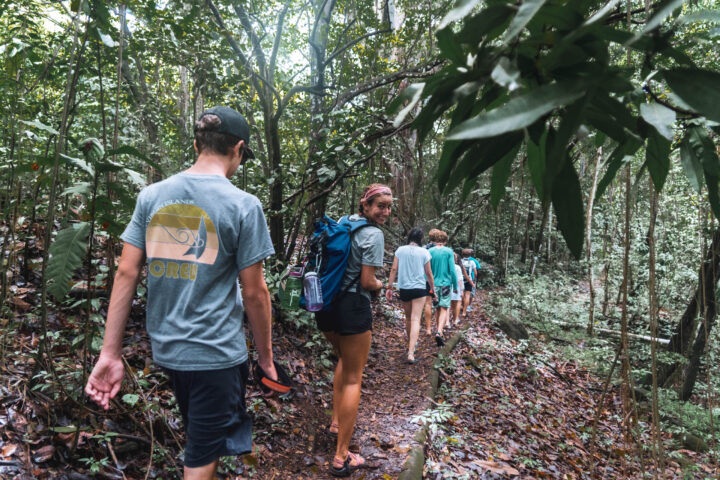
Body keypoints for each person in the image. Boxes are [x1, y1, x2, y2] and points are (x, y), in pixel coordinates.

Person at [85, 106, 278, 480]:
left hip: (169, 352)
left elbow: (126, 272)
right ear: (238, 149)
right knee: (201, 457)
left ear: (196, 144)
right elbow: (255, 294)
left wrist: (110, 353)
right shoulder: (244, 205)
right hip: (216, 354)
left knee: (203, 441)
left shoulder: (152, 196)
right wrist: (266, 361)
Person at [315, 184, 392, 477]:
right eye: (380, 205)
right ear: (366, 204)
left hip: (326, 305)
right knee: (353, 378)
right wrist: (381, 285)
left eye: (388, 206)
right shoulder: (374, 235)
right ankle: (341, 456)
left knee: (343, 363)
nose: (384, 211)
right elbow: (367, 281)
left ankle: (336, 422)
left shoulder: (344, 223)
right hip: (352, 307)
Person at [386, 228, 436, 363]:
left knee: (408, 318)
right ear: (421, 238)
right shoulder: (424, 252)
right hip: (420, 288)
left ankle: (410, 344)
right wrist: (432, 288)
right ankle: (411, 352)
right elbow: (429, 273)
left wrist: (389, 287)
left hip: (404, 288)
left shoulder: (400, 250)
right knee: (415, 319)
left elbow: (394, 269)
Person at [428, 230, 457, 346]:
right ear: (445, 241)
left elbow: (427, 270)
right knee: (444, 307)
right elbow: (452, 270)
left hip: (433, 284)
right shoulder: (449, 251)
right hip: (445, 283)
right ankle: (439, 331)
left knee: (437, 307)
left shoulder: (430, 251)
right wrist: (455, 285)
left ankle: (437, 328)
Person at [422, 229, 440, 335]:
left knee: (427, 304)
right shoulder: (442, 249)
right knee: (440, 305)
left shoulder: (424, 248)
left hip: (426, 278)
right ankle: (439, 328)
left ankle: (428, 328)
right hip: (439, 279)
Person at [450, 253, 468, 326]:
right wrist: (462, 289)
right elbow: (460, 279)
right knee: (458, 302)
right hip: (456, 286)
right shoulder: (457, 267)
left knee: (452, 304)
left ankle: (454, 318)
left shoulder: (447, 266)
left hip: (449, 286)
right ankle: (456, 319)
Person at [461, 248, 477, 317]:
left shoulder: (460, 261)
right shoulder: (472, 262)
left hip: (461, 280)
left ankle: (462, 306)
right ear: (470, 255)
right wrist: (474, 279)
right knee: (467, 295)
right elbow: (475, 273)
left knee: (461, 294)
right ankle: (464, 312)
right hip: (469, 280)